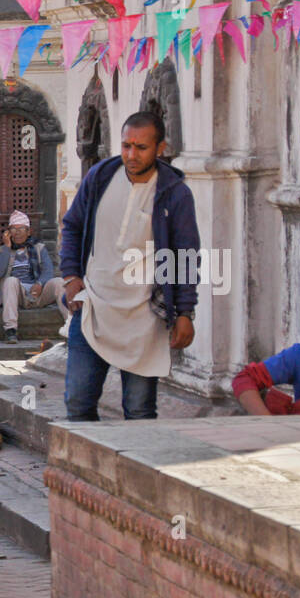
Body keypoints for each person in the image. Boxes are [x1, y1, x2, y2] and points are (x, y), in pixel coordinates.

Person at [59, 111, 198, 420]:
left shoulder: (175, 194)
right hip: (93, 306)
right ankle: (85, 469)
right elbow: (72, 226)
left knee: (139, 409)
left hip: (144, 316)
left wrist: (185, 313)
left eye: (141, 147)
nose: (131, 155)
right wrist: (71, 276)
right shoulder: (100, 177)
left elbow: (185, 255)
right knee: (78, 403)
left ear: (160, 148)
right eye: (126, 146)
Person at [0, 209, 68, 344]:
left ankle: (72, 324)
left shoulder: (38, 248)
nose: (17, 232)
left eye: (21, 229)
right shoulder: (3, 250)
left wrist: (40, 283)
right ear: (8, 233)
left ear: (29, 231)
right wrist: (7, 248)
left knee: (60, 282)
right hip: (18, 294)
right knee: (10, 280)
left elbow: (48, 270)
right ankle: (10, 330)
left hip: (39, 292)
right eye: (13, 229)